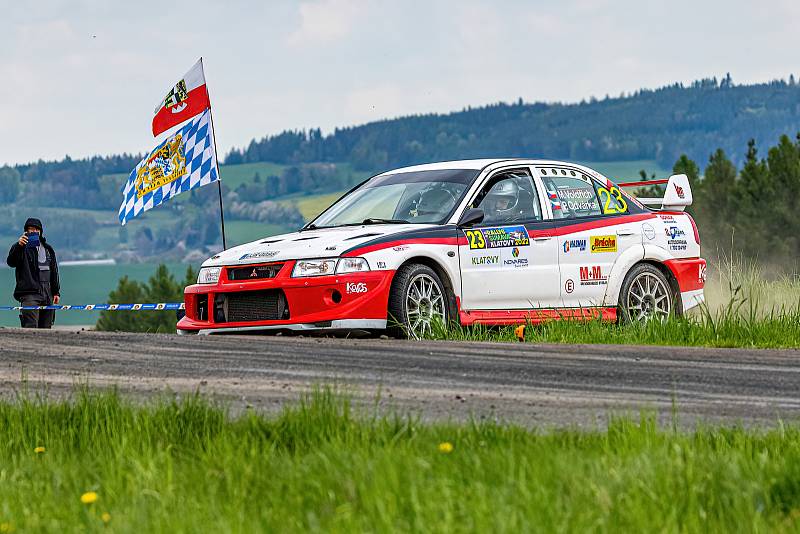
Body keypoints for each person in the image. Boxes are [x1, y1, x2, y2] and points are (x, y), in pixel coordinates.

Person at [6, 218, 60, 328]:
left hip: (47, 294)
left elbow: (54, 271)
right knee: (30, 328)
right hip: (29, 293)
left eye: (36, 229)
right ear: (26, 232)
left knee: (46, 328)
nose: (33, 232)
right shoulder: (21, 247)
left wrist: (56, 292)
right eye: (30, 229)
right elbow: (11, 262)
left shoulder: (48, 249)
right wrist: (19, 246)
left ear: (40, 231)